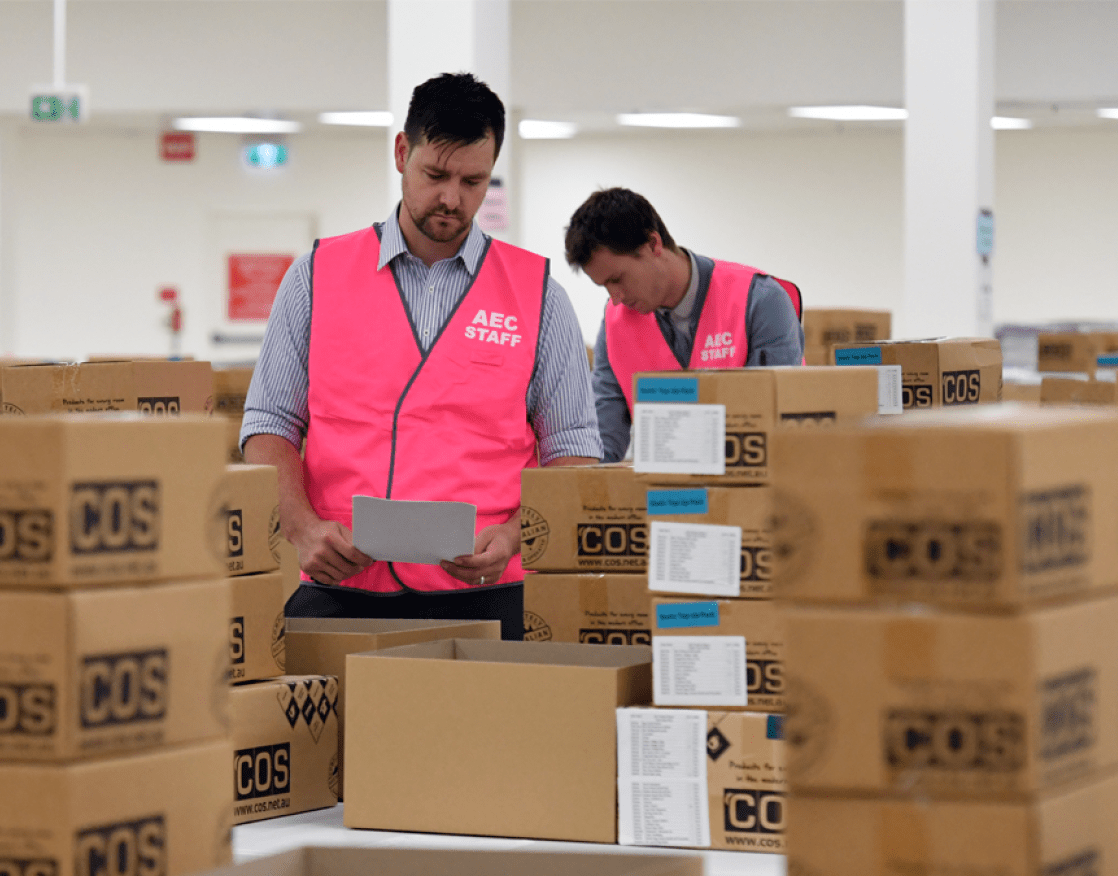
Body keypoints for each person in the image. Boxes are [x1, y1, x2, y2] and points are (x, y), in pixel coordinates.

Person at [240, 72, 601, 640]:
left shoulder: (537, 296)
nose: (452, 199)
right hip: (343, 593)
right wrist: (304, 529)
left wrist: (514, 536)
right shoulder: (317, 278)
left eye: (473, 181)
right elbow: (267, 426)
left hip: (490, 598)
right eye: (435, 175)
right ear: (402, 153)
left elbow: (574, 451)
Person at [564, 187, 805, 463]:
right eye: (604, 286)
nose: (615, 298)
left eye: (617, 279)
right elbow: (604, 434)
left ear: (653, 244)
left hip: (752, 485)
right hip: (668, 495)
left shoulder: (759, 300)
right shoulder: (615, 324)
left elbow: (773, 421)